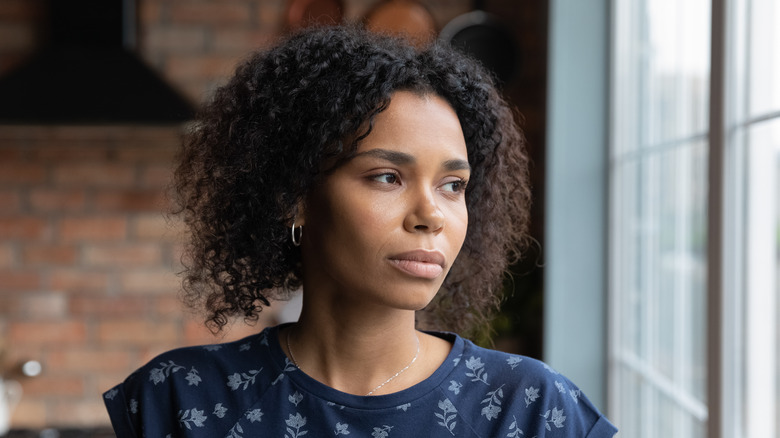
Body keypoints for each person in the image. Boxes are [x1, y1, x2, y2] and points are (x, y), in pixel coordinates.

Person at [103, 25, 617, 437]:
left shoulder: (531, 409)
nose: (430, 214)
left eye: (453, 185)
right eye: (387, 177)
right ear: (294, 200)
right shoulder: (180, 398)